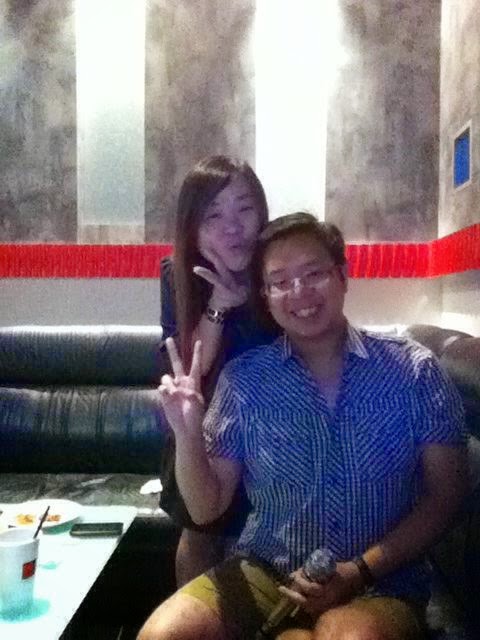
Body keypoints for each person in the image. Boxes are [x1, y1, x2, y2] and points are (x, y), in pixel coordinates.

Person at [142, 212, 468, 640]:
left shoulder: (414, 371)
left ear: (343, 276)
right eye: (280, 282)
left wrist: (359, 570)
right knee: (164, 634)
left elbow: (447, 496)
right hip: (265, 570)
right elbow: (207, 508)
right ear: (266, 296)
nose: (299, 292)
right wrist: (187, 435)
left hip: (379, 579)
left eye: (314, 274)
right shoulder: (244, 380)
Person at [158, 155, 278, 586]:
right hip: (203, 417)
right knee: (200, 534)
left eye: (244, 209)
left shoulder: (276, 269)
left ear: (262, 214)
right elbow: (194, 365)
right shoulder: (177, 272)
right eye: (213, 215)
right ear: (193, 226)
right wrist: (220, 304)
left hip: (271, 424)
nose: (233, 227)